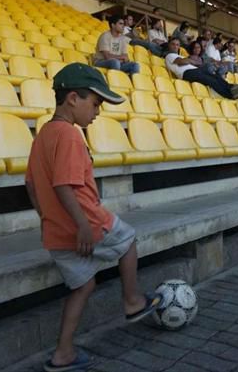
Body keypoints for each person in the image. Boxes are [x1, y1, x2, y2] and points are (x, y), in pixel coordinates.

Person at [25, 63, 162, 372]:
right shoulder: (69, 135)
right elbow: (63, 184)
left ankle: (63, 354)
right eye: (96, 103)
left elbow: (31, 185)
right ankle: (132, 301)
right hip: (88, 223)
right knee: (127, 240)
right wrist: (84, 226)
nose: (98, 112)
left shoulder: (43, 134)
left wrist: (49, 219)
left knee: (83, 287)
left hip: (57, 233)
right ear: (73, 98)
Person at [165, 37, 238, 100]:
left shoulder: (181, 56)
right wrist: (190, 61)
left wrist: (189, 61)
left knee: (215, 76)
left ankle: (232, 88)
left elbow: (189, 61)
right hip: (187, 73)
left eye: (177, 44)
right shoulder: (169, 56)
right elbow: (182, 62)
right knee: (210, 80)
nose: (175, 46)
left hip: (194, 70)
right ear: (169, 45)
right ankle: (230, 95)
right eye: (173, 44)